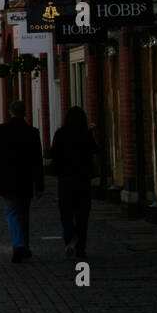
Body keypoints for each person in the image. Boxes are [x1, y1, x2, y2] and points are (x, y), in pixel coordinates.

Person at [0, 98, 44, 262]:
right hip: (26, 180)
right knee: (24, 213)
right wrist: (39, 185)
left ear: (10, 112)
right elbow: (37, 162)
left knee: (12, 213)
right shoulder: (33, 132)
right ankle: (24, 245)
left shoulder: (1, 130)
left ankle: (19, 244)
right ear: (25, 112)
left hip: (7, 180)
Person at [49, 106, 99, 260]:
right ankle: (81, 249)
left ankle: (69, 237)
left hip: (65, 180)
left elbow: (53, 153)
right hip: (83, 180)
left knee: (66, 213)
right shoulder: (85, 134)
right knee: (82, 215)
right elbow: (95, 150)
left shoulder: (60, 134)